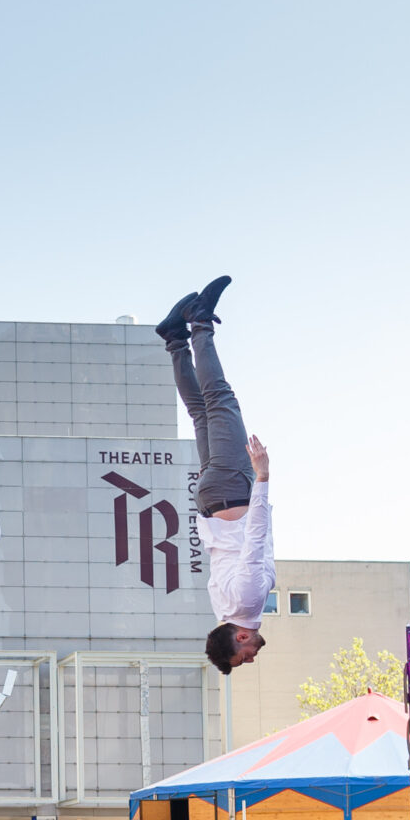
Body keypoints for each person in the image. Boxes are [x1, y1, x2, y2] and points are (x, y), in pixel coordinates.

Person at [155, 277, 270, 675]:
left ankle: (200, 322)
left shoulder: (248, 603)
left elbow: (254, 541)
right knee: (201, 413)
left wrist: (263, 479)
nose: (253, 655)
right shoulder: (223, 609)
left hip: (233, 490)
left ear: (239, 638)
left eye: (246, 656)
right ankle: (174, 338)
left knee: (220, 400)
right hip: (210, 503)